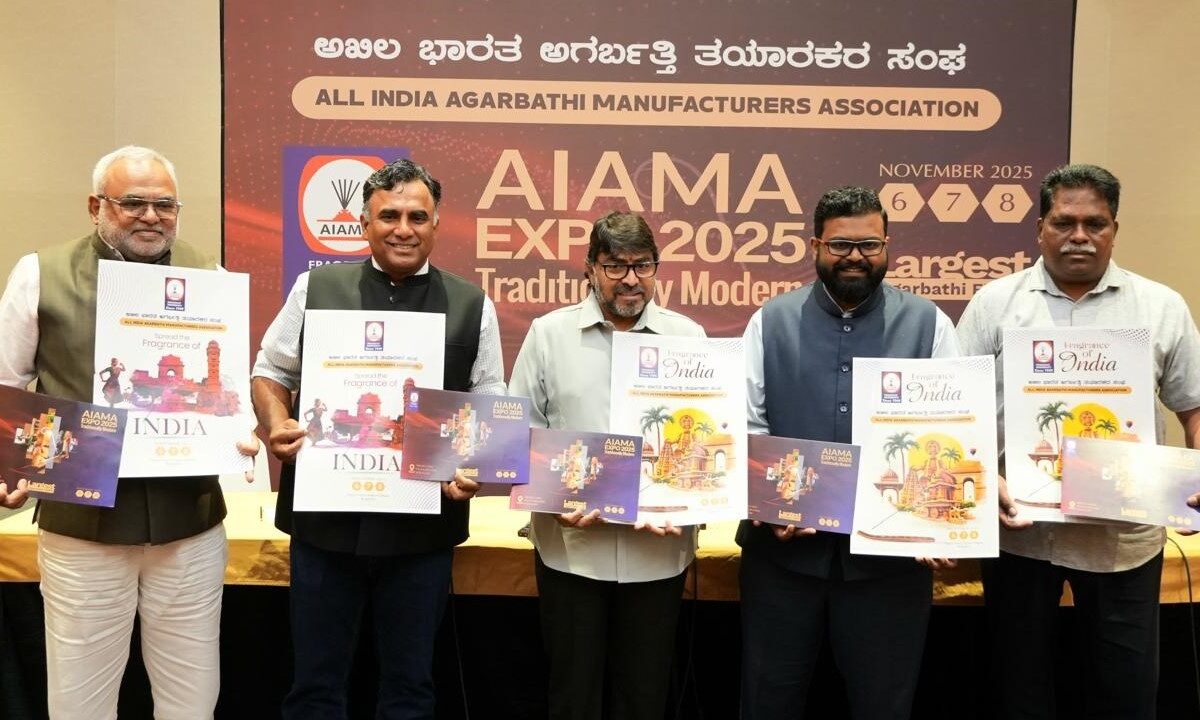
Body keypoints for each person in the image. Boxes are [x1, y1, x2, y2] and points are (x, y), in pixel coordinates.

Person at [0, 145, 258, 719]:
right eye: (133, 203)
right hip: (81, 528)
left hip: (189, 524)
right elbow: (6, 385)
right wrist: (9, 467)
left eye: (165, 205)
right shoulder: (41, 273)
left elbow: (232, 391)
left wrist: (241, 434)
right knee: (80, 704)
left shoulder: (211, 278)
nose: (150, 216)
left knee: (191, 703)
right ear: (97, 206)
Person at [251, 158, 505, 719]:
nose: (403, 229)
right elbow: (270, 371)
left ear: (436, 223)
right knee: (315, 689)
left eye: (417, 216)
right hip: (325, 526)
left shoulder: (471, 304)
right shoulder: (315, 288)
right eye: (389, 215)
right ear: (364, 222)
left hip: (422, 533)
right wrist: (276, 422)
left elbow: (487, 400)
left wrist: (472, 461)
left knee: (410, 691)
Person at [956, 164, 1200, 719]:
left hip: (1124, 539)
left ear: (1115, 229)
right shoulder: (995, 303)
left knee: (1125, 694)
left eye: (1096, 223)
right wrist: (985, 476)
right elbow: (956, 407)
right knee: (1019, 691)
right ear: (1040, 228)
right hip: (1020, 534)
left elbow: (1194, 406)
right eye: (1064, 223)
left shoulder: (1160, 306)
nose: (1080, 236)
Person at [739, 186, 960, 719]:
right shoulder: (769, 321)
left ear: (887, 245)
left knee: (883, 705)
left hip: (889, 566)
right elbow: (747, 423)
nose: (855, 256)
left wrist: (940, 524)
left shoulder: (930, 325)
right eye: (840, 245)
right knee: (769, 700)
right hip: (782, 559)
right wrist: (774, 503)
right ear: (816, 246)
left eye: (869, 244)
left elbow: (953, 430)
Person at [507, 211, 704, 720]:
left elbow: (709, 435)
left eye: (643, 265)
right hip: (572, 553)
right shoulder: (548, 335)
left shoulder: (689, 338)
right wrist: (552, 497)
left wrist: (692, 500)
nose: (631, 279)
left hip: (658, 554)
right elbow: (517, 433)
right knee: (573, 698)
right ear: (590, 268)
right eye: (615, 266)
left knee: (644, 699)